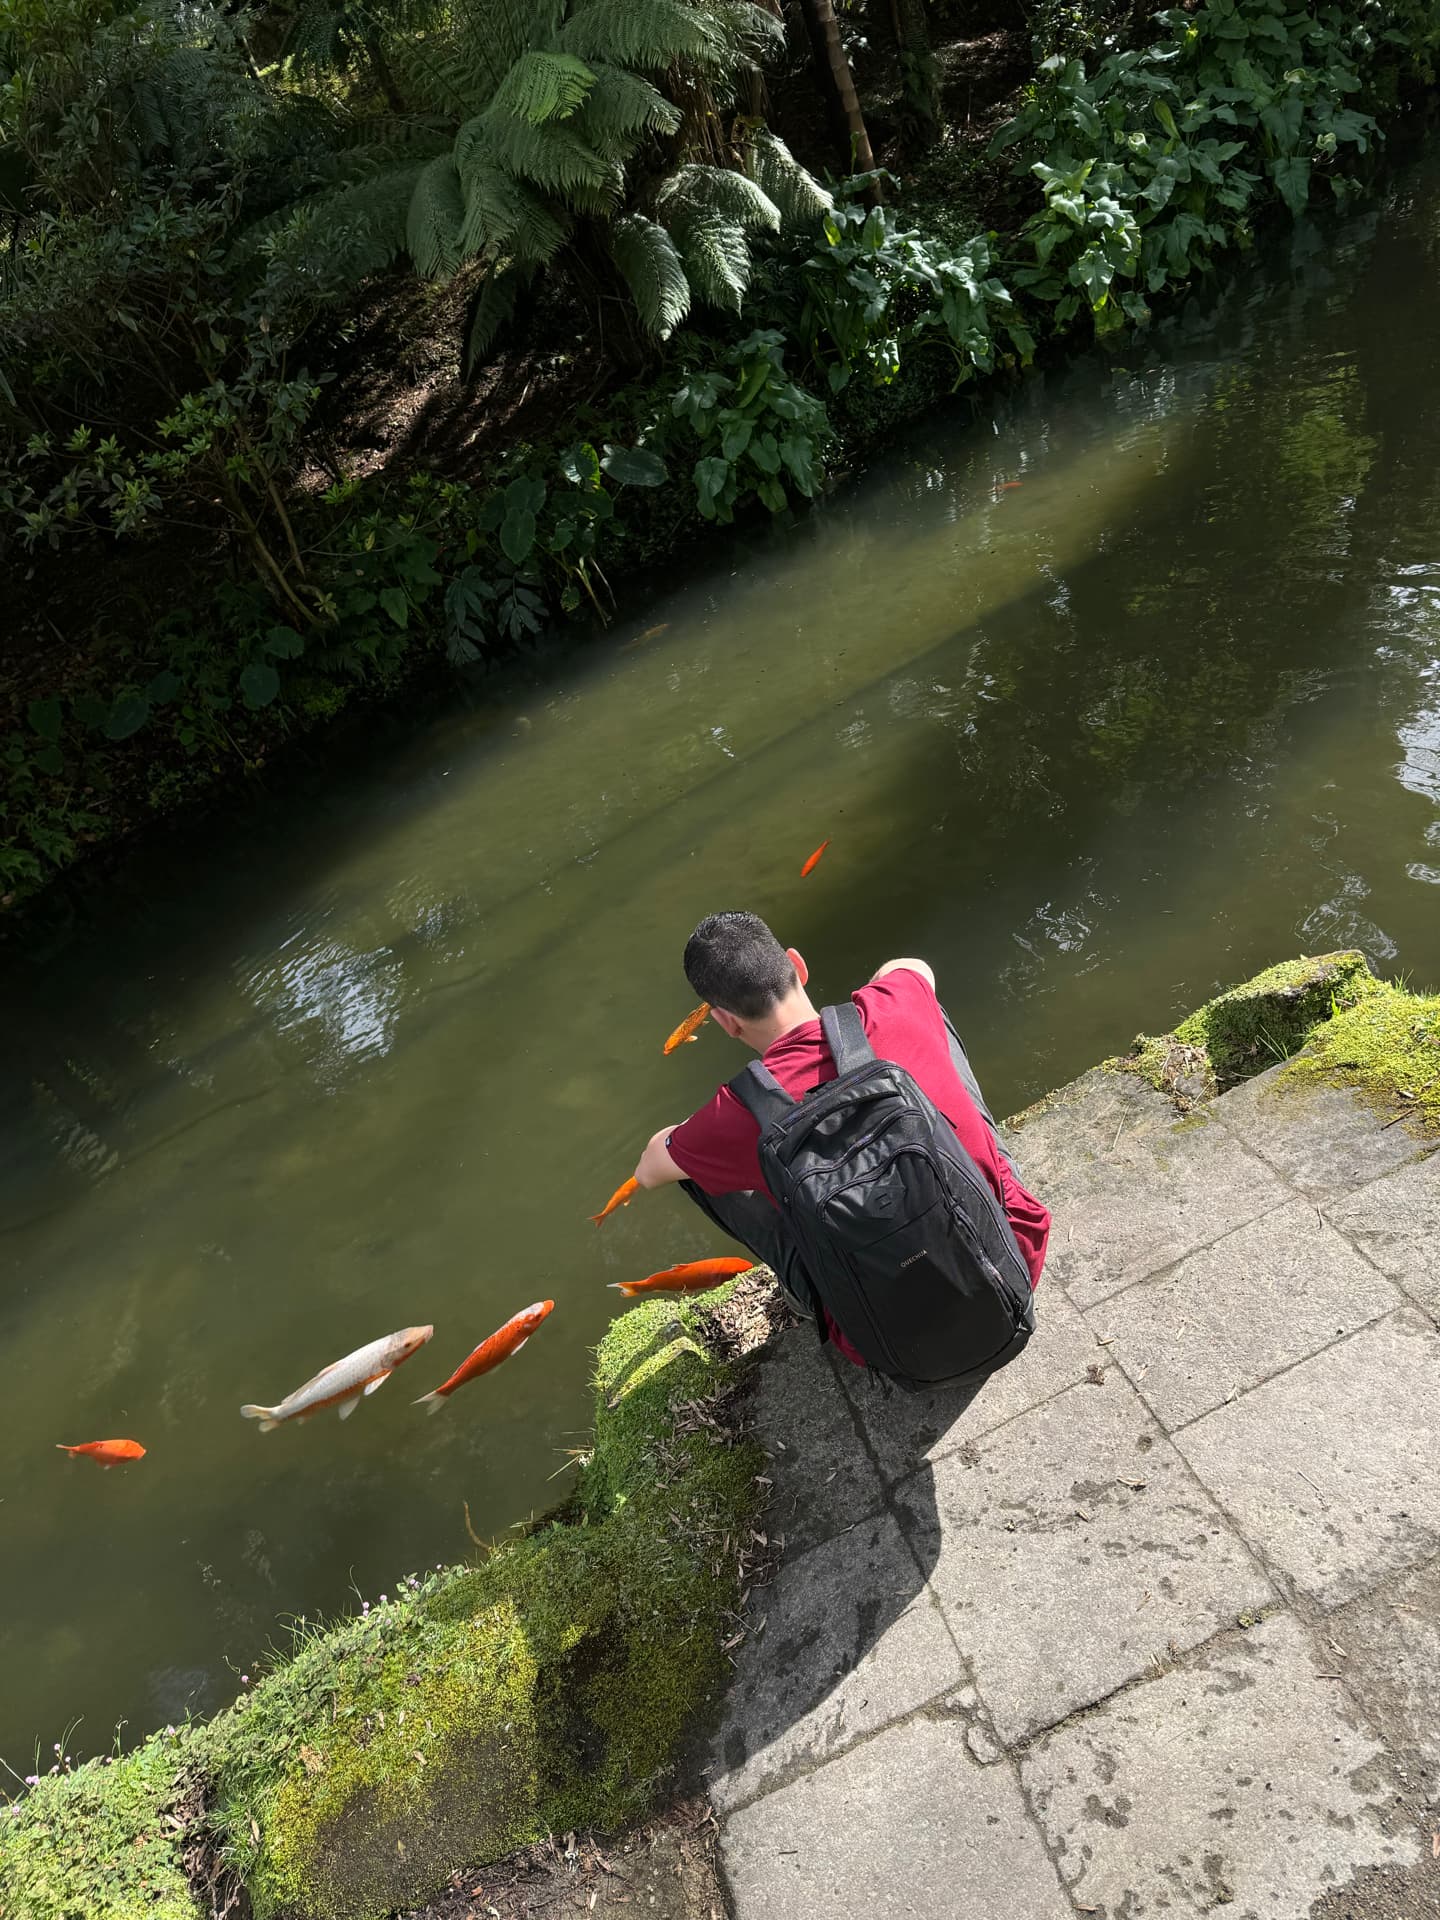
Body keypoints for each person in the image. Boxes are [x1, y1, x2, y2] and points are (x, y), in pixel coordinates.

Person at [631, 910, 1050, 1365]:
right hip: (1010, 1271)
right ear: (798, 965)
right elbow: (911, 966)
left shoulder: (736, 1112)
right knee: (926, 1012)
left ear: (726, 1022)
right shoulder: (892, 1005)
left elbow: (648, 1171)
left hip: (888, 1342)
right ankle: (992, 1190)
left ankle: (809, 1295)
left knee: (693, 1168)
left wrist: (695, 1133)